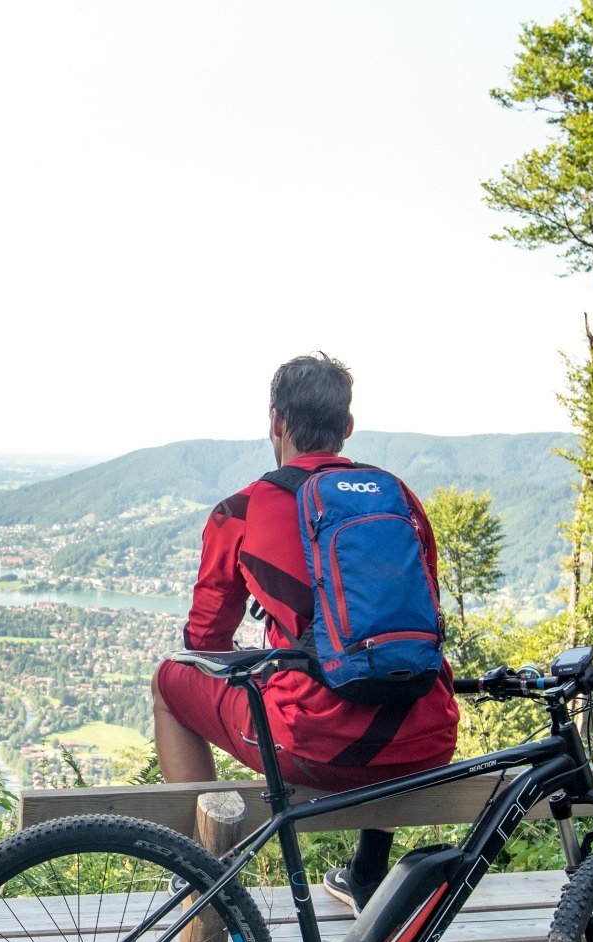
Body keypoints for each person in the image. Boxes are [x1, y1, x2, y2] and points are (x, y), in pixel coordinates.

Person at [150, 352, 459, 911]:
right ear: (347, 428)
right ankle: (366, 874)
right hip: (423, 741)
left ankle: (203, 872)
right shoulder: (399, 500)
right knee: (380, 667)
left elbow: (204, 646)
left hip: (315, 748)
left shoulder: (241, 510)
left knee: (169, 683)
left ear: (275, 421)